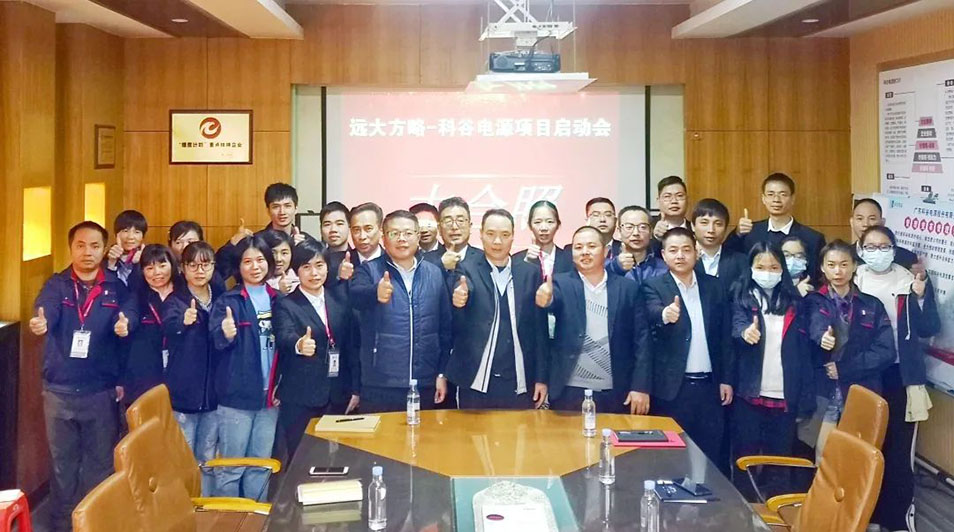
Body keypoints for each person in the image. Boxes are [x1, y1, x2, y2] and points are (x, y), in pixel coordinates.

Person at [29, 221, 127, 531]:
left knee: (100, 465)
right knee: (63, 466)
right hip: (59, 392)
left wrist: (128, 323)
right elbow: (46, 308)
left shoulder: (116, 287)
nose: (87, 252)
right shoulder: (57, 285)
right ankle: (63, 525)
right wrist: (41, 322)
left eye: (95, 246)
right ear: (71, 248)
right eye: (80, 245)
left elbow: (131, 313)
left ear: (104, 249)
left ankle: (95, 524)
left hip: (100, 391)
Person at [855, 226, 940, 531]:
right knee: (866, 446)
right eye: (870, 247)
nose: (877, 252)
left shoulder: (909, 280)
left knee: (899, 451)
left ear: (893, 249)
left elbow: (929, 327)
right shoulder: (853, 278)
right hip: (863, 374)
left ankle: (898, 519)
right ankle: (868, 515)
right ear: (860, 250)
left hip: (900, 374)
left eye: (884, 246)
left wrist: (920, 295)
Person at [642, 227, 734, 464]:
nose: (680, 256)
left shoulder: (715, 286)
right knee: (671, 458)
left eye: (686, 250)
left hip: (710, 388)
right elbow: (651, 312)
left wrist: (726, 379)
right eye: (673, 250)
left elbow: (724, 337)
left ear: (697, 252)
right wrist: (665, 314)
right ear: (663, 255)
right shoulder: (653, 286)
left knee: (710, 455)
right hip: (673, 389)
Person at [537, 226, 651, 415]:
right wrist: (545, 300)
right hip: (568, 390)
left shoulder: (628, 288)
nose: (584, 252)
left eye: (591, 246)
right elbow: (552, 300)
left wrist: (640, 386)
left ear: (606, 251)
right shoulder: (560, 283)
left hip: (616, 391)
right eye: (578, 247)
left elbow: (642, 340)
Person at [730, 242, 815, 499]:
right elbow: (736, 326)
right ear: (750, 268)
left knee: (780, 460)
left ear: (782, 270)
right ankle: (744, 510)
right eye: (761, 266)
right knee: (744, 459)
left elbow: (804, 353)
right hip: (749, 393)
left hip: (785, 393)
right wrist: (745, 333)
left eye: (774, 267)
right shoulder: (741, 296)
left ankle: (778, 511)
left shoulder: (796, 302)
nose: (767, 272)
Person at [350, 210, 453, 413]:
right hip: (380, 383)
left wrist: (441, 373)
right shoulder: (369, 270)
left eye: (407, 233)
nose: (401, 239)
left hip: (425, 381)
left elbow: (445, 329)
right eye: (394, 233)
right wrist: (375, 292)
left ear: (417, 236)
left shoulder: (434, 274)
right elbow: (355, 295)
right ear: (384, 237)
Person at [447, 209, 549, 409]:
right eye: (491, 234)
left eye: (504, 235)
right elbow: (461, 296)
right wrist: (459, 300)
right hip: (475, 379)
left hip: (519, 378)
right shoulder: (466, 268)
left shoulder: (529, 273)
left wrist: (541, 378)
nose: (497, 241)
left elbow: (539, 330)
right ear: (481, 234)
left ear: (513, 237)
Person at [805, 240, 895, 460]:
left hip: (861, 389)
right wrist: (821, 338)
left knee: (857, 457)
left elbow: (886, 352)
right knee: (822, 455)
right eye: (831, 265)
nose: (838, 271)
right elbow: (812, 331)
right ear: (822, 268)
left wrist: (845, 368)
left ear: (855, 266)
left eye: (844, 264)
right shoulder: (811, 301)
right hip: (822, 391)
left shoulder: (871, 304)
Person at [274, 239, 360, 456]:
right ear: (296, 270)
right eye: (306, 267)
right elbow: (284, 335)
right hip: (301, 397)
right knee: (302, 458)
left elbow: (351, 347)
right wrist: (299, 344)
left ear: (327, 267)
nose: (314, 273)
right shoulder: (286, 303)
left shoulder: (339, 300)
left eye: (319, 265)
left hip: (338, 394)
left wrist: (355, 389)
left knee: (337, 459)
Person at [209, 235, 280, 500]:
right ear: (239, 266)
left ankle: (256, 518)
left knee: (260, 466)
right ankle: (227, 520)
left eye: (260, 259)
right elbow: (215, 341)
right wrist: (225, 333)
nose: (255, 266)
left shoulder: (279, 299)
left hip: (270, 398)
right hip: (236, 398)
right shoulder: (228, 301)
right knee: (231, 468)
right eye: (247, 261)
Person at [161, 241, 222, 495]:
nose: (199, 270)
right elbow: (168, 326)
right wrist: (182, 322)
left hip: (214, 396)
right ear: (183, 268)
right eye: (193, 265)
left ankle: (205, 507)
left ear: (213, 267)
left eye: (205, 264)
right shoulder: (175, 300)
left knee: (208, 458)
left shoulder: (221, 298)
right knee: (182, 459)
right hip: (183, 396)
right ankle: (183, 508)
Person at [729, 173, 826, 274]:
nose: (776, 200)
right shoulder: (750, 232)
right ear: (763, 198)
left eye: (783, 194)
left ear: (792, 198)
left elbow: (817, 274)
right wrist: (737, 233)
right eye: (770, 194)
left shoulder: (813, 238)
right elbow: (728, 257)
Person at [116, 245, 176, 405]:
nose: (157, 272)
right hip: (144, 378)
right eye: (150, 268)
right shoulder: (137, 296)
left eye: (162, 265)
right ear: (142, 271)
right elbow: (130, 312)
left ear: (172, 265)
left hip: (178, 375)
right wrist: (125, 324)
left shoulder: (183, 292)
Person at [216, 183, 310, 280]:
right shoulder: (256, 240)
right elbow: (219, 274)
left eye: (287, 206)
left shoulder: (306, 241)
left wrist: (301, 250)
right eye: (276, 206)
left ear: (296, 209)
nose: (282, 212)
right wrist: (232, 244)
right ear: (268, 210)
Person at [423, 196, 485, 279]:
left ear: (470, 226)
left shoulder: (484, 259)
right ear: (439, 229)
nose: (454, 227)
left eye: (460, 220)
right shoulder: (424, 261)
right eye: (448, 221)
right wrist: (441, 265)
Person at [606, 205, 668, 287]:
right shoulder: (608, 265)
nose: (636, 233)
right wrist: (617, 267)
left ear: (651, 232)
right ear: (619, 232)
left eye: (642, 227)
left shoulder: (663, 268)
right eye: (629, 227)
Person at [850, 198, 919, 270]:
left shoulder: (907, 258)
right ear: (852, 222)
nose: (865, 224)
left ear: (882, 222)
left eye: (872, 218)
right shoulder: (845, 255)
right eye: (860, 219)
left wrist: (923, 275)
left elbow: (920, 275)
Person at [691, 198, 747, 288]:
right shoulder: (684, 259)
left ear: (726, 228)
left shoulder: (740, 261)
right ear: (693, 226)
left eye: (718, 224)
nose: (711, 230)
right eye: (704, 223)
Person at [513, 200, 573, 279]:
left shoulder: (569, 259)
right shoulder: (517, 260)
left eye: (550, 222)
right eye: (537, 222)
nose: (544, 228)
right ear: (529, 225)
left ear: (558, 225)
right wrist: (528, 263)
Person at [105, 209, 147, 286]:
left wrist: (138, 265)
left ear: (142, 237)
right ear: (116, 234)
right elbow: (106, 288)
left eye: (137, 232)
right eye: (125, 231)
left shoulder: (149, 259)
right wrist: (111, 264)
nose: (130, 237)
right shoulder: (107, 258)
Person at [319, 201, 355, 287]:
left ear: (349, 226)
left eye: (339, 224)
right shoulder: (317, 260)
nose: (333, 230)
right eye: (327, 224)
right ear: (320, 229)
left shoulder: (359, 257)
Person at [651, 176, 692, 244]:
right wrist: (656, 238)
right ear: (658, 201)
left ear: (687, 200)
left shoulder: (695, 229)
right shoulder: (648, 227)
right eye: (667, 196)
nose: (674, 201)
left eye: (679, 196)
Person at [262, 229, 298, 296]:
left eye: (284, 253)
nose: (278, 259)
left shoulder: (300, 280)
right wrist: (278, 290)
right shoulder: (256, 280)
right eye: (273, 253)